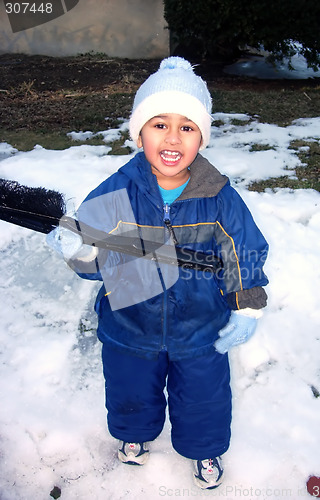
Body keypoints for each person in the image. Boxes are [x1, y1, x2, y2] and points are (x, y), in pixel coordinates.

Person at [49, 56, 269, 490]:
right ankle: (133, 437)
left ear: (202, 137)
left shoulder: (219, 196)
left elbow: (244, 253)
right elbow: (96, 258)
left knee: (203, 395)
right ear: (140, 132)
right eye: (159, 124)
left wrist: (247, 308)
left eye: (187, 127)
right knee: (131, 389)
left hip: (201, 324)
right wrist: (79, 251)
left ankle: (204, 448)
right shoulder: (118, 188)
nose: (172, 138)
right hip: (130, 319)